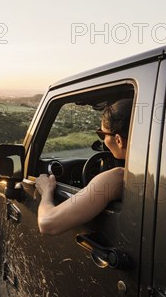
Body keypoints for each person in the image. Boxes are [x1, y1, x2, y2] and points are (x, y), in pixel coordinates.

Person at [35, 99, 132, 236]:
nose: (103, 141)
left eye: (102, 135)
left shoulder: (116, 178)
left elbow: (48, 223)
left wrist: (46, 191)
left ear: (118, 140)